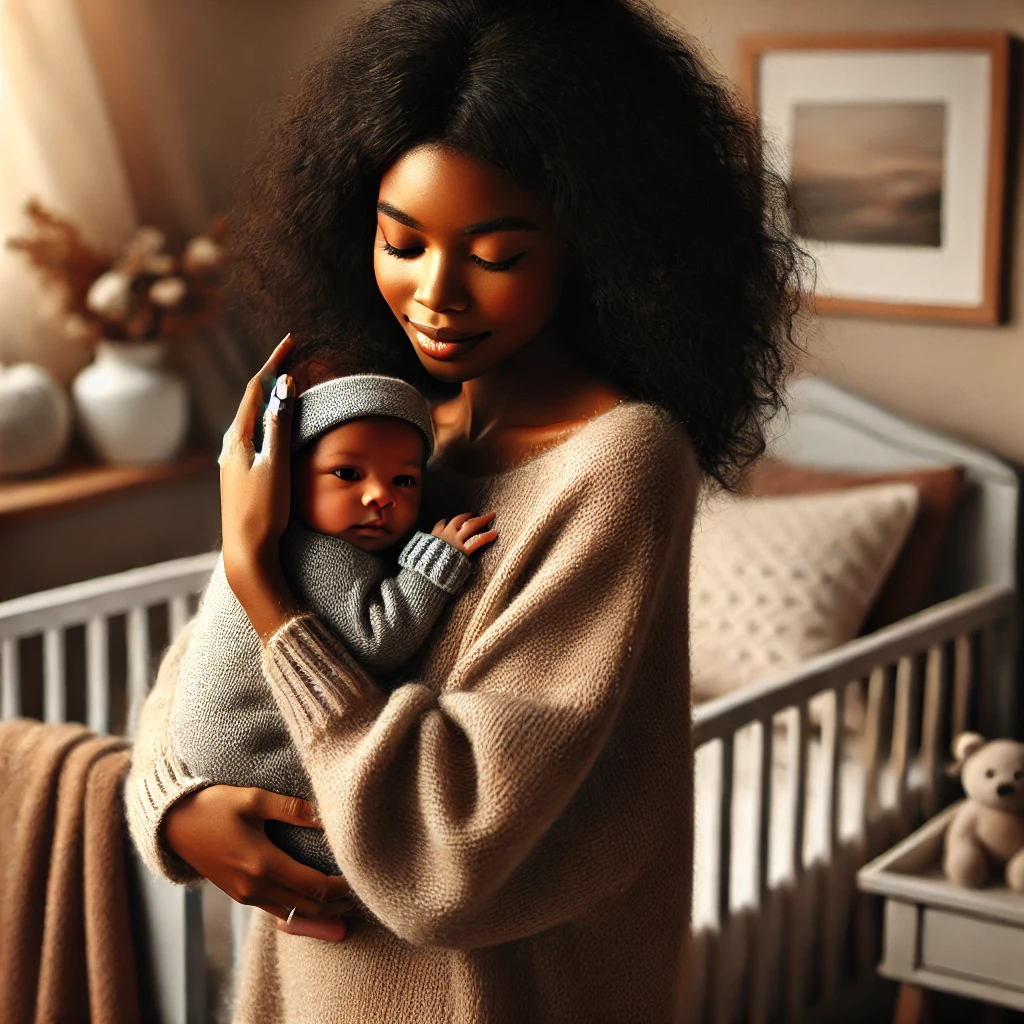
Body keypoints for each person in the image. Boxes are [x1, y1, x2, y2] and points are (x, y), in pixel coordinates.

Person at [126, 0, 807, 1020]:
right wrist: (174, 806)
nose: (435, 294)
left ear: (593, 247)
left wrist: (267, 583)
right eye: (401, 241)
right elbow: (202, 666)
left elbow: (451, 854)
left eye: (494, 255)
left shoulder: (617, 465)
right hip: (303, 989)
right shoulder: (378, 430)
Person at [169, 367, 497, 877]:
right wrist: (431, 563)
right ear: (289, 481)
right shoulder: (318, 553)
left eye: (404, 479)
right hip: (246, 748)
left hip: (205, 749)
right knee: (342, 836)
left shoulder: (280, 543)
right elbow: (380, 638)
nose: (380, 497)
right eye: (348, 474)